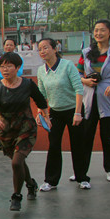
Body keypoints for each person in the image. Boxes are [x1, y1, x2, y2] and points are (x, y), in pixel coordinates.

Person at [0, 52, 49, 211]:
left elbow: (41, 102)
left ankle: (16, 196)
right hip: (6, 130)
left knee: (16, 162)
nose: (5, 69)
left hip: (26, 127)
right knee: (19, 162)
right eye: (2, 66)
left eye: (9, 66)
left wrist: (46, 117)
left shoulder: (28, 84)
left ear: (18, 68)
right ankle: (31, 184)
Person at [76, 19, 110, 183]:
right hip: (89, 99)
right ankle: (81, 172)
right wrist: (85, 81)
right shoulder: (86, 52)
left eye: (102, 30)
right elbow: (78, 73)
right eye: (96, 30)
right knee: (86, 136)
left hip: (109, 98)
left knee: (107, 137)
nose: (98, 33)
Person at [35, 38, 88, 191]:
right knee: (53, 145)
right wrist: (41, 113)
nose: (42, 51)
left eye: (46, 47)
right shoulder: (41, 70)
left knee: (78, 144)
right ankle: (51, 181)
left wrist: (77, 112)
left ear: (55, 49)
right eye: (40, 49)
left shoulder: (67, 65)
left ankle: (82, 178)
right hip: (55, 112)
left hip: (73, 110)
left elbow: (79, 89)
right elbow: (41, 94)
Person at [0, 38, 23, 151]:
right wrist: (10, 74)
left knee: (16, 113)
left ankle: (16, 139)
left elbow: (20, 72)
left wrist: (10, 75)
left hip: (16, 87)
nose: (9, 47)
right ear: (3, 46)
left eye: (11, 45)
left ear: (14, 47)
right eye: (7, 45)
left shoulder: (19, 59)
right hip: (1, 88)